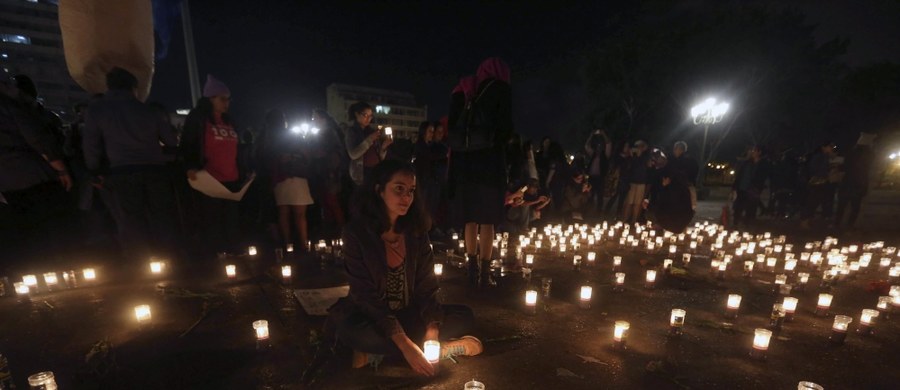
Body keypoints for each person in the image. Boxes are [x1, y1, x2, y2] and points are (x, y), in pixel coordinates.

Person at [329, 160, 481, 376]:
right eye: (399, 189)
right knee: (351, 331)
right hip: (372, 316)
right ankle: (438, 350)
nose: (407, 197)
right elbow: (364, 296)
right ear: (379, 189)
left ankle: (380, 353)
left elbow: (427, 288)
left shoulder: (416, 232)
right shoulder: (357, 234)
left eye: (411, 190)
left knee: (464, 315)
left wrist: (432, 331)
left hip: (410, 312)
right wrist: (404, 343)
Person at [81, 67, 179, 262]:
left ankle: (141, 261)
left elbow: (91, 144)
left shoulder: (98, 110)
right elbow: (171, 141)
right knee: (162, 216)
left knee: (131, 218)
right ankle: (170, 257)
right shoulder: (149, 110)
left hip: (122, 171)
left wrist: (93, 170)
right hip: (155, 169)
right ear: (134, 88)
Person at [448, 58, 513, 288]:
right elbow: (506, 129)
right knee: (488, 221)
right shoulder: (499, 89)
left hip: (465, 165)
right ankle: (485, 274)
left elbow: (452, 129)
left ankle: (471, 270)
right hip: (490, 162)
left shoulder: (461, 90)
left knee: (470, 218)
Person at [0, 76, 71, 267]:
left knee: (26, 226)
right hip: (31, 173)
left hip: (6, 181)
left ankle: (36, 269)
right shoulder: (12, 108)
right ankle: (60, 264)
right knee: (51, 221)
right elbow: (38, 139)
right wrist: (61, 170)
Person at [180, 74, 250, 256]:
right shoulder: (198, 119)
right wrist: (191, 166)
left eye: (229, 99)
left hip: (231, 179)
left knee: (231, 220)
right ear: (210, 98)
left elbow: (237, 148)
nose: (227, 103)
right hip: (210, 179)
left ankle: (234, 255)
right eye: (223, 99)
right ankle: (215, 258)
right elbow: (188, 143)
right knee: (212, 221)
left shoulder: (230, 120)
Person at [268, 110, 315, 250]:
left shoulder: (268, 137)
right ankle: (303, 243)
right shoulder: (291, 136)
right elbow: (307, 154)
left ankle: (288, 243)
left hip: (281, 177)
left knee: (284, 212)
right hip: (296, 177)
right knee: (299, 214)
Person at [345, 101, 392, 187]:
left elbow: (380, 156)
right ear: (357, 114)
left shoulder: (371, 132)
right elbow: (353, 154)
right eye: (365, 115)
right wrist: (369, 139)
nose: (369, 119)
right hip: (361, 173)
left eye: (370, 116)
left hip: (375, 171)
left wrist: (384, 148)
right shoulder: (352, 132)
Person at [834, 134, 875, 229]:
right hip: (859, 184)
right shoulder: (870, 155)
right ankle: (849, 225)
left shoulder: (851, 153)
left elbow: (844, 167)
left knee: (842, 205)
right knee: (855, 207)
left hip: (847, 182)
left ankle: (837, 223)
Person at [799, 142, 836, 229]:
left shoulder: (822, 157)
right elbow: (817, 169)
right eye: (829, 147)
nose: (831, 149)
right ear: (824, 147)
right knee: (812, 202)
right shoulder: (820, 156)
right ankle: (805, 220)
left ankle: (810, 220)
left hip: (821, 183)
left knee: (818, 202)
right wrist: (828, 172)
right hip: (817, 183)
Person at [731, 145, 770, 228]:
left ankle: (748, 223)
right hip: (742, 187)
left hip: (753, 189)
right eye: (752, 151)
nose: (753, 152)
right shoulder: (747, 163)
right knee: (739, 206)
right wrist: (734, 187)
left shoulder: (763, 164)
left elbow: (764, 177)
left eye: (754, 151)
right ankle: (736, 222)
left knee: (751, 207)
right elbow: (740, 175)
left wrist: (759, 186)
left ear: (759, 152)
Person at [646, 168, 693, 233]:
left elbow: (661, 209)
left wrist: (648, 206)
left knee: (649, 214)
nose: (662, 181)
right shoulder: (685, 190)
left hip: (670, 223)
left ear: (668, 179)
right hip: (682, 224)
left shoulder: (668, 191)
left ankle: (661, 227)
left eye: (663, 179)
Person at [622, 140, 650, 224]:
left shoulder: (646, 157)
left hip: (641, 182)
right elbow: (630, 165)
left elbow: (647, 166)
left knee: (637, 203)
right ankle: (625, 219)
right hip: (632, 182)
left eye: (640, 146)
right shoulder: (632, 156)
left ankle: (634, 220)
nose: (638, 148)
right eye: (637, 146)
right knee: (629, 202)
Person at [668, 141, 699, 211]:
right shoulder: (693, 160)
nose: (674, 152)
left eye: (675, 149)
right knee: (689, 208)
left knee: (678, 208)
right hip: (690, 186)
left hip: (680, 187)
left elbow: (676, 173)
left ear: (679, 149)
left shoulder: (678, 161)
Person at [584, 129, 610, 214]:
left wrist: (603, 134)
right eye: (597, 146)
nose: (598, 147)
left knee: (600, 196)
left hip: (600, 178)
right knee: (590, 195)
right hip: (592, 178)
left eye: (600, 146)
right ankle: (589, 211)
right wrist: (591, 135)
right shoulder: (593, 154)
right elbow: (587, 146)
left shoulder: (605, 155)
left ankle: (598, 212)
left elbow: (608, 144)